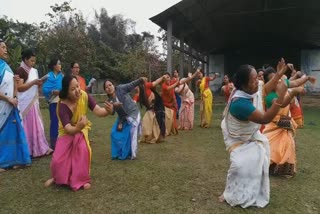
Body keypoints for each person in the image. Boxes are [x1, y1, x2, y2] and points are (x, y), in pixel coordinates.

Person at [219, 64, 287, 208]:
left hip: (250, 133)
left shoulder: (251, 90)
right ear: (244, 85)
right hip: (236, 136)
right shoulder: (240, 103)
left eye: (257, 77)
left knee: (257, 160)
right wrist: (280, 97)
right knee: (239, 165)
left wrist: (278, 74)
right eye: (254, 80)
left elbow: (265, 89)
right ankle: (231, 192)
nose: (258, 82)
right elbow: (264, 119)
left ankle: (254, 192)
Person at [44, 75, 113, 191]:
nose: (77, 91)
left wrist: (107, 111)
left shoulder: (84, 96)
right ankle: (56, 177)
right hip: (67, 132)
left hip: (81, 130)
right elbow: (68, 129)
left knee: (82, 150)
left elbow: (98, 111)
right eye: (72, 89)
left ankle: (82, 179)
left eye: (78, 86)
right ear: (66, 92)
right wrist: (78, 127)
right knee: (57, 160)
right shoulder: (62, 105)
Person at [263, 66, 316, 177]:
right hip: (273, 124)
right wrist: (292, 93)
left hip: (285, 122)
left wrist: (307, 78)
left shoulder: (283, 83)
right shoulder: (269, 96)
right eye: (272, 79)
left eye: (276, 77)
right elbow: (282, 103)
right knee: (270, 146)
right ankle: (269, 166)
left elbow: (296, 82)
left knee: (288, 144)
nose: (276, 80)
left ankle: (283, 168)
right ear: (268, 83)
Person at [0, 39, 31, 172]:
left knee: (15, 133)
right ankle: (2, 162)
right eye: (2, 47)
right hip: (3, 106)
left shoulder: (6, 66)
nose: (5, 49)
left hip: (11, 105)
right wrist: (8, 99)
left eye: (5, 47)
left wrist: (14, 86)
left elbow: (12, 87)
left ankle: (17, 160)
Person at [16, 49, 53, 157]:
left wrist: (39, 84)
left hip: (33, 102)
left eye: (34, 61)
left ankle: (40, 147)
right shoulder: (21, 71)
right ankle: (28, 149)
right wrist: (33, 83)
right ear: (25, 59)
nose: (33, 63)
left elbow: (37, 88)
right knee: (28, 127)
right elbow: (20, 88)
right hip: (25, 103)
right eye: (31, 61)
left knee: (37, 125)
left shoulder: (34, 71)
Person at [104, 77, 146, 160]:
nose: (109, 87)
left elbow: (131, 85)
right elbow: (112, 113)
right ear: (105, 90)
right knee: (114, 132)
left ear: (114, 85)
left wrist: (140, 80)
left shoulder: (120, 88)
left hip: (133, 113)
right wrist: (119, 121)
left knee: (132, 133)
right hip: (123, 118)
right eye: (106, 87)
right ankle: (118, 152)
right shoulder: (109, 101)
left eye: (110, 85)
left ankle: (133, 154)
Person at [42, 59, 63, 150]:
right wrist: (52, 91)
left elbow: (65, 86)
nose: (60, 65)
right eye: (59, 64)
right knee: (54, 122)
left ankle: (62, 142)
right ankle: (54, 144)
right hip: (53, 102)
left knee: (62, 122)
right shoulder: (48, 76)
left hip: (61, 101)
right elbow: (44, 89)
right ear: (54, 66)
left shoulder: (61, 76)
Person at [139, 75, 166, 143]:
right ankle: (158, 136)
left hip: (152, 107)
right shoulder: (146, 85)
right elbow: (156, 82)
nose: (146, 78)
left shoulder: (142, 89)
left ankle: (155, 135)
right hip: (155, 106)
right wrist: (162, 77)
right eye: (144, 78)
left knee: (154, 121)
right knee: (157, 120)